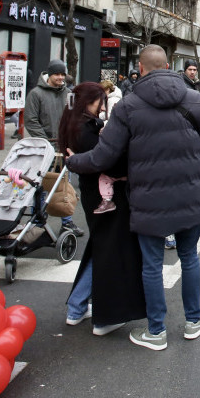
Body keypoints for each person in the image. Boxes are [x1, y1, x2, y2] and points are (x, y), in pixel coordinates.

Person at [66, 44, 200, 352]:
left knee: (151, 264)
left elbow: (103, 156)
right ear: (168, 65)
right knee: (189, 257)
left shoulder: (128, 106)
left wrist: (73, 161)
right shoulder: (194, 99)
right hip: (189, 195)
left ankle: (156, 330)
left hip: (148, 200)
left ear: (141, 67)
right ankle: (193, 320)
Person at [58, 82, 144, 335]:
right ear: (89, 101)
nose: (103, 106)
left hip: (92, 194)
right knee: (109, 253)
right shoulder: (87, 131)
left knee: (100, 248)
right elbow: (107, 162)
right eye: (100, 101)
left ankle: (76, 307)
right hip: (107, 197)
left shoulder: (71, 125)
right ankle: (105, 318)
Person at [25, 59, 83, 238]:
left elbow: (75, 117)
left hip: (64, 148)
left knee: (64, 187)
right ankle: (38, 222)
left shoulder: (69, 94)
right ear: (49, 75)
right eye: (56, 74)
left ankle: (67, 223)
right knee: (41, 187)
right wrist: (46, 143)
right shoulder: (36, 94)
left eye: (62, 74)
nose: (60, 78)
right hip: (44, 149)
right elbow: (31, 121)